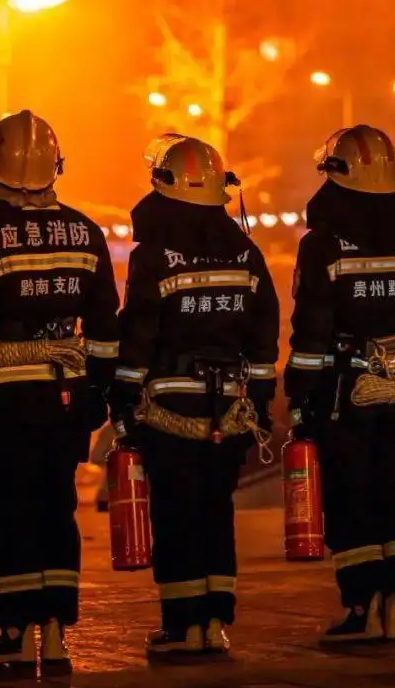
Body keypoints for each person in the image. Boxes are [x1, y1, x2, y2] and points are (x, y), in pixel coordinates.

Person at [0, 109, 119, 676]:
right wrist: (99, 394)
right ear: (53, 168)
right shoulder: (86, 231)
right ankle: (58, 635)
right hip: (66, 397)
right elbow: (105, 325)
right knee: (56, 510)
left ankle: (15, 634)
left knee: (12, 515)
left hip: (6, 405)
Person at [111, 133, 279, 659]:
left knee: (177, 513)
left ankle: (183, 626)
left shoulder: (155, 256)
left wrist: (121, 401)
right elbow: (265, 331)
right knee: (215, 510)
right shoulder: (245, 251)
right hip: (229, 408)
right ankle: (215, 622)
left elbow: (139, 333)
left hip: (169, 409)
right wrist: (262, 398)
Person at [285, 124, 395, 645]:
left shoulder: (322, 246)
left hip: (344, 394)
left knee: (352, 495)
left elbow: (310, 331)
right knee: (393, 493)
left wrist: (301, 397)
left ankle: (362, 606)